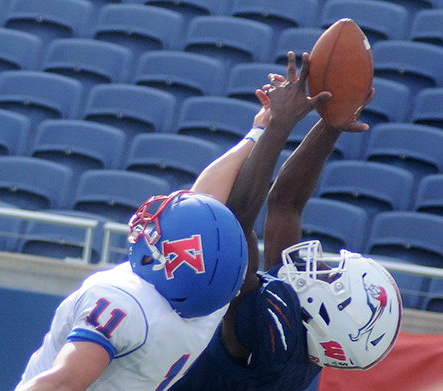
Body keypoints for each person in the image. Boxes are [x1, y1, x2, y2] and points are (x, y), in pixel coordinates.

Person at [0, 52, 328, 391]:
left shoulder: (124, 303)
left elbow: (65, 382)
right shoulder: (206, 305)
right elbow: (215, 205)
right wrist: (260, 132)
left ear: (163, 262)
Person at [169, 51, 402, 391]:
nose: (322, 267)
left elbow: (231, 227)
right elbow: (286, 204)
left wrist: (278, 125)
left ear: (328, 313)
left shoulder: (272, 331)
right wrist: (332, 125)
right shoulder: (311, 335)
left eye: (332, 277)